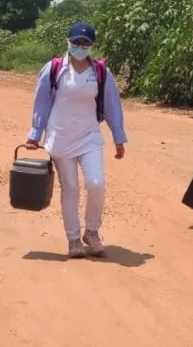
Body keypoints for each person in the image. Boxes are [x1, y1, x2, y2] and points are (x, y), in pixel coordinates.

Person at [25, 22, 127, 258]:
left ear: (92, 45)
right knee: (70, 188)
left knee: (96, 183)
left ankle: (92, 232)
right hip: (60, 136)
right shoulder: (55, 68)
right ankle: (73, 239)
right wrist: (34, 134)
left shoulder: (100, 72)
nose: (80, 46)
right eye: (76, 42)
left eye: (85, 43)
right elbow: (42, 102)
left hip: (89, 135)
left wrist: (118, 136)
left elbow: (112, 106)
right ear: (68, 42)